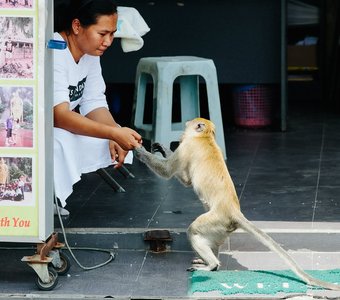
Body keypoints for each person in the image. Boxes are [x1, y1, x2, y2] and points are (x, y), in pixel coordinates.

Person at [53, 0, 142, 215]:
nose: (108, 41)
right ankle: (48, 197)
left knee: (107, 137)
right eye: (102, 34)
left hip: (59, 126)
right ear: (76, 27)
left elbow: (93, 101)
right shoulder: (55, 50)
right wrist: (112, 132)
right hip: (32, 131)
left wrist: (114, 132)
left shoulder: (90, 53)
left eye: (112, 34)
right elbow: (59, 116)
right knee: (62, 142)